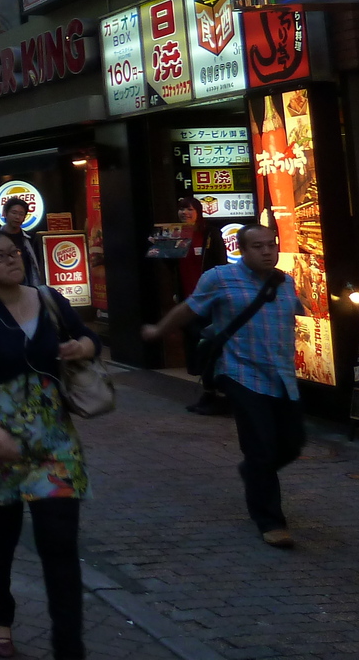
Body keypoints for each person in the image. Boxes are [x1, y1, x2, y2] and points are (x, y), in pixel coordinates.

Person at [0, 227, 98, 660]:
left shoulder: (49, 299)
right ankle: (0, 620)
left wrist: (80, 347)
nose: (12, 260)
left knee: (60, 539)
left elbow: (91, 339)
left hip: (53, 437)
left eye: (14, 253)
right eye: (0, 257)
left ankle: (69, 645)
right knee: (0, 535)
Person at [143, 224, 305, 548]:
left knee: (292, 444)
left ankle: (254, 472)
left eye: (270, 245)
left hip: (282, 376)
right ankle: (270, 520)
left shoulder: (285, 282)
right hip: (241, 373)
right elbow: (189, 309)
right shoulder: (219, 278)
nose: (266, 252)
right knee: (260, 447)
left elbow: (298, 315)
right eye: (257, 247)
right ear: (242, 251)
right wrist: (159, 330)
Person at [174, 195, 230, 415]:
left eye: (189, 209)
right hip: (188, 300)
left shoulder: (209, 234)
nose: (185, 213)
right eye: (181, 209)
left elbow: (221, 263)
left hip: (209, 299)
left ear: (198, 212)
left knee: (208, 344)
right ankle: (209, 391)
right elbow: (171, 267)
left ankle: (215, 393)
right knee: (195, 344)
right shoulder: (176, 234)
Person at [0, 198, 44, 285]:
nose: (17, 217)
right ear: (5, 213)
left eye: (21, 214)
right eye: (14, 213)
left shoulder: (31, 239)